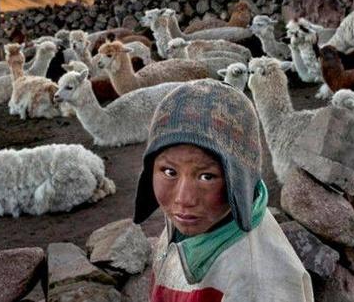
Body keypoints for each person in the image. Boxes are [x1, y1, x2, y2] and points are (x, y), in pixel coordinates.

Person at [134, 79, 314, 302]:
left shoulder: (257, 284)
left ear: (240, 181)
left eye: (206, 177)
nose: (183, 198)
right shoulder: (189, 223)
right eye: (170, 172)